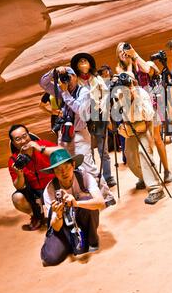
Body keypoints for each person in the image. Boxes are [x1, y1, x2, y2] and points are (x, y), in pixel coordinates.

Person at [39, 66, 116, 206]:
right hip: (64, 133)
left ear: (75, 76)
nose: (67, 79)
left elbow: (79, 110)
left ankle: (106, 195)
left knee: (88, 166)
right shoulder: (60, 89)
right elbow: (43, 83)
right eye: (64, 77)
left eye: (69, 76)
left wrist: (65, 93)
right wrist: (54, 71)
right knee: (66, 165)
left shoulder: (84, 91)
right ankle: (77, 193)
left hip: (79, 133)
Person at [40, 148, 105, 266]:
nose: (63, 172)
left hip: (81, 219)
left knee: (87, 200)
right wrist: (58, 215)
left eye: (66, 167)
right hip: (62, 227)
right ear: (53, 172)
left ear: (73, 165)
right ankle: (70, 242)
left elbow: (100, 202)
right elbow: (55, 226)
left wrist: (76, 203)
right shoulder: (50, 190)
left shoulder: (84, 177)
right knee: (50, 258)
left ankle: (91, 240)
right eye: (58, 170)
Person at [112, 71, 165, 204]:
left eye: (129, 85)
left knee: (144, 153)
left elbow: (148, 115)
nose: (128, 88)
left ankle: (156, 189)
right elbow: (118, 116)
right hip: (130, 129)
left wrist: (135, 99)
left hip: (145, 126)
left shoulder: (141, 93)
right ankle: (144, 177)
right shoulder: (119, 96)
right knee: (130, 157)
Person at [70, 53, 116, 188]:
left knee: (103, 149)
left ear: (90, 64)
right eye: (80, 62)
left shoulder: (97, 79)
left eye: (86, 61)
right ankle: (93, 177)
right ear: (77, 66)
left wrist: (107, 116)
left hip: (99, 117)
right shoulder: (75, 81)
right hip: (83, 120)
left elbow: (106, 97)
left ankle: (107, 176)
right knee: (87, 151)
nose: (83, 63)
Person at [8, 124, 57, 231]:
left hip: (53, 187)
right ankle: (36, 215)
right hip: (34, 193)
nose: (23, 140)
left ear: (29, 135)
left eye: (25, 136)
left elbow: (62, 151)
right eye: (18, 139)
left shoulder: (42, 144)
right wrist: (20, 174)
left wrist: (40, 149)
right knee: (17, 198)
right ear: (13, 143)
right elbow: (19, 186)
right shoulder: (14, 160)